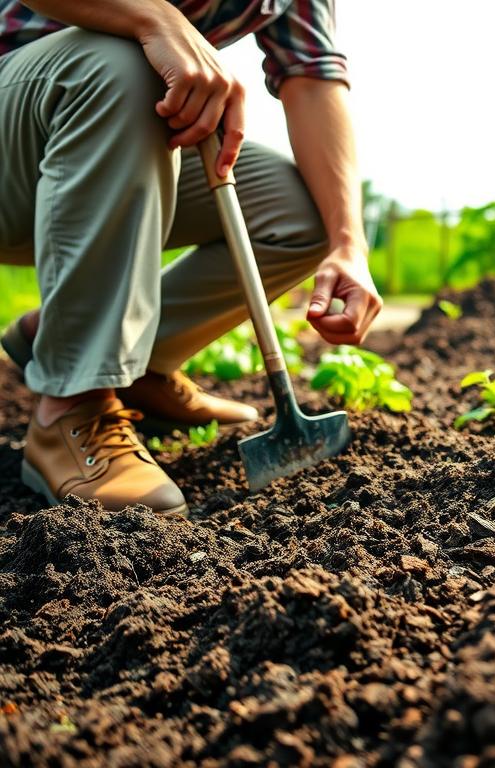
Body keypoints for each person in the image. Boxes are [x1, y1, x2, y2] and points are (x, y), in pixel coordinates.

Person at [0, 0, 382, 515]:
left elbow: (311, 74)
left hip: (109, 139)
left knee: (305, 212)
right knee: (124, 63)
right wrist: (154, 18)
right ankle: (71, 409)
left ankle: (112, 356)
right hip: (22, 126)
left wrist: (348, 243)